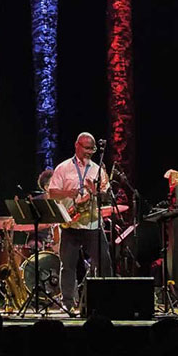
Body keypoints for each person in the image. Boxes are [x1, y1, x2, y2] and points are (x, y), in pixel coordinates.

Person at [46, 132, 113, 310]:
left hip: (92, 224)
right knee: (67, 267)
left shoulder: (97, 169)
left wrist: (96, 192)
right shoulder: (63, 168)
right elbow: (52, 193)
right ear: (77, 145)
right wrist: (70, 193)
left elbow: (106, 196)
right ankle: (68, 303)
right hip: (71, 224)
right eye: (86, 148)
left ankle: (105, 301)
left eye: (92, 149)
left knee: (104, 263)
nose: (89, 152)